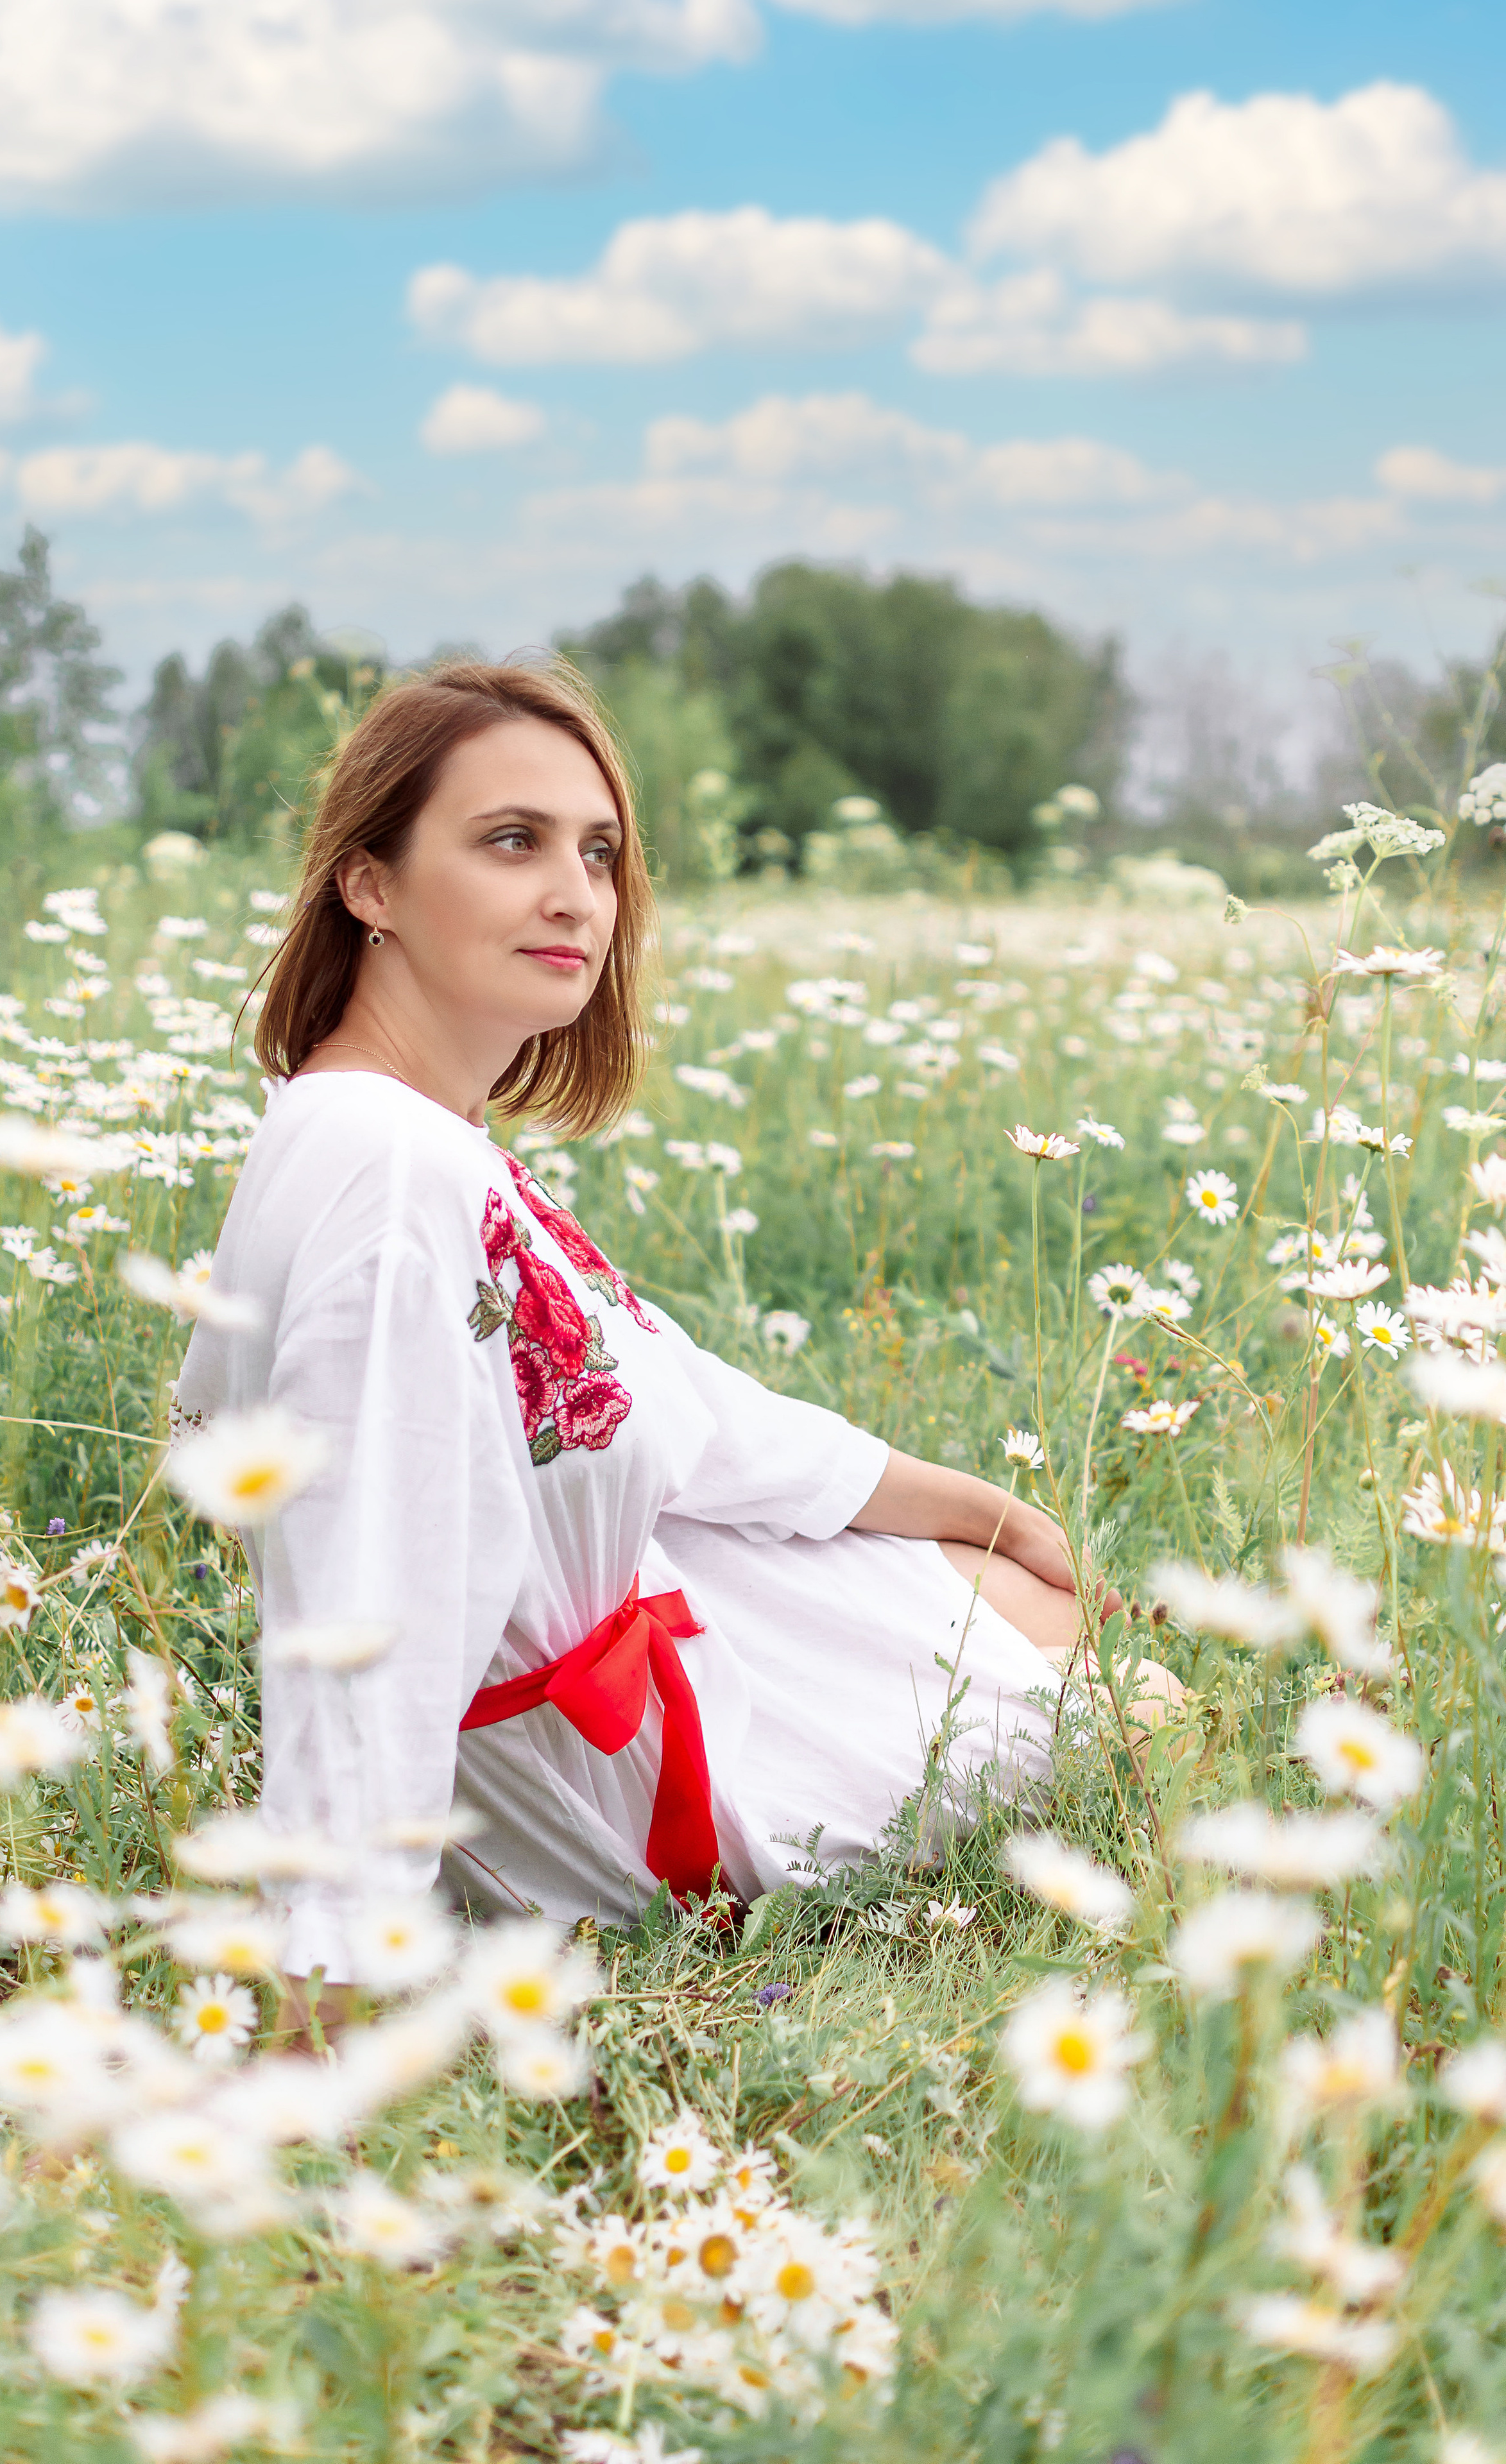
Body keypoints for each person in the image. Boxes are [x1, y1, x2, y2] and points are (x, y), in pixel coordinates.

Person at [173, 658, 1177, 1996]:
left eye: (596, 853)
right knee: (1135, 1709)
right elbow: (371, 1590)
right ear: (368, 883)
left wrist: (968, 1504)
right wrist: (330, 1970)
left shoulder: (408, 1135)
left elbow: (678, 1404)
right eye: (510, 842)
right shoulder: (388, 1171)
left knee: (1034, 1593)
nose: (571, 894)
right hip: (610, 1777)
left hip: (660, 1616)